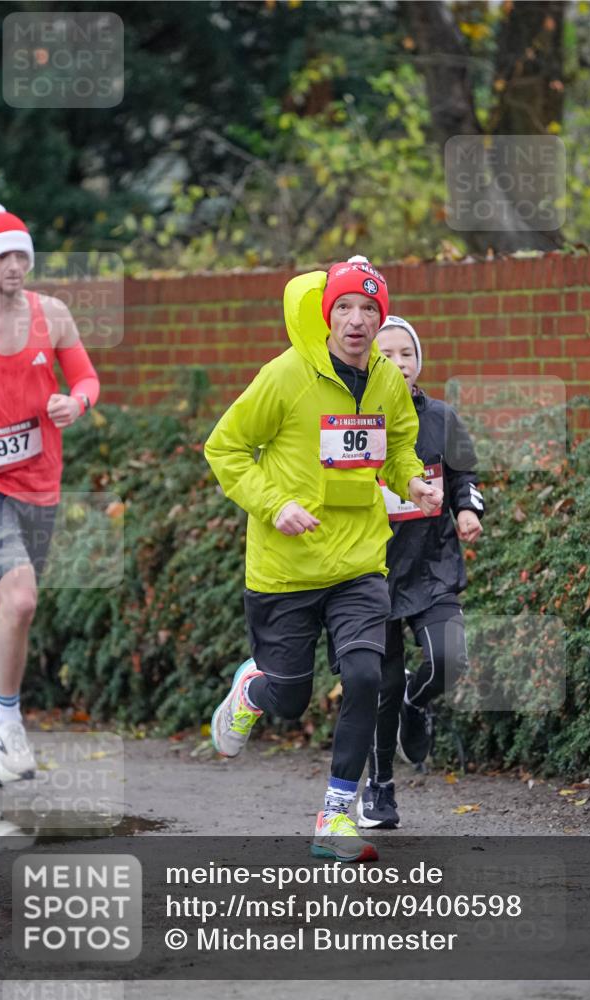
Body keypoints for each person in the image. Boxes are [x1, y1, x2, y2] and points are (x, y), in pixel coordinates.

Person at [204, 257, 443, 862]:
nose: (357, 320)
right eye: (344, 308)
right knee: (289, 699)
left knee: (366, 677)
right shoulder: (285, 375)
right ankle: (253, 689)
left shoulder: (387, 380)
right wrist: (275, 504)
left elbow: (398, 448)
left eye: (368, 309)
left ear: (381, 318)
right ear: (327, 314)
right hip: (285, 569)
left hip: (359, 561)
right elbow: (225, 448)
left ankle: (335, 816)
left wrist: (412, 481)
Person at [0, 202, 100, 786]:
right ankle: (8, 722)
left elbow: (87, 378)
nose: (15, 266)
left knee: (7, 608)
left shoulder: (53, 314)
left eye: (21, 255)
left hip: (41, 480)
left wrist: (77, 402)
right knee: (21, 601)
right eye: (2, 256)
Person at [356, 314, 484, 830]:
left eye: (406, 353)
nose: (398, 362)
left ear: (419, 361)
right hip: (372, 568)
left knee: (449, 657)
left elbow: (464, 473)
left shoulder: (441, 418)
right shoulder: (355, 420)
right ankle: (380, 788)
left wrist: (467, 509)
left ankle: (418, 698)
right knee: (380, 686)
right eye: (385, 355)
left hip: (432, 563)